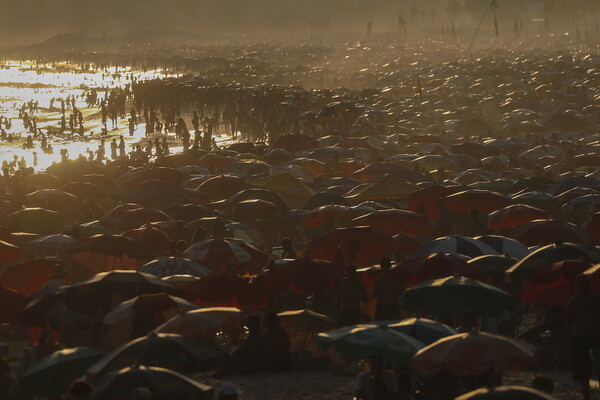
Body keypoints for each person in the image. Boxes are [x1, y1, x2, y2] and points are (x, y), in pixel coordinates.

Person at [565, 274, 600, 400]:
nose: (584, 287)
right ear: (578, 286)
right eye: (582, 284)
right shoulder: (574, 301)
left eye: (586, 284)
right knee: (582, 373)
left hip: (596, 339)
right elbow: (568, 320)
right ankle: (587, 397)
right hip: (580, 339)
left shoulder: (596, 300)